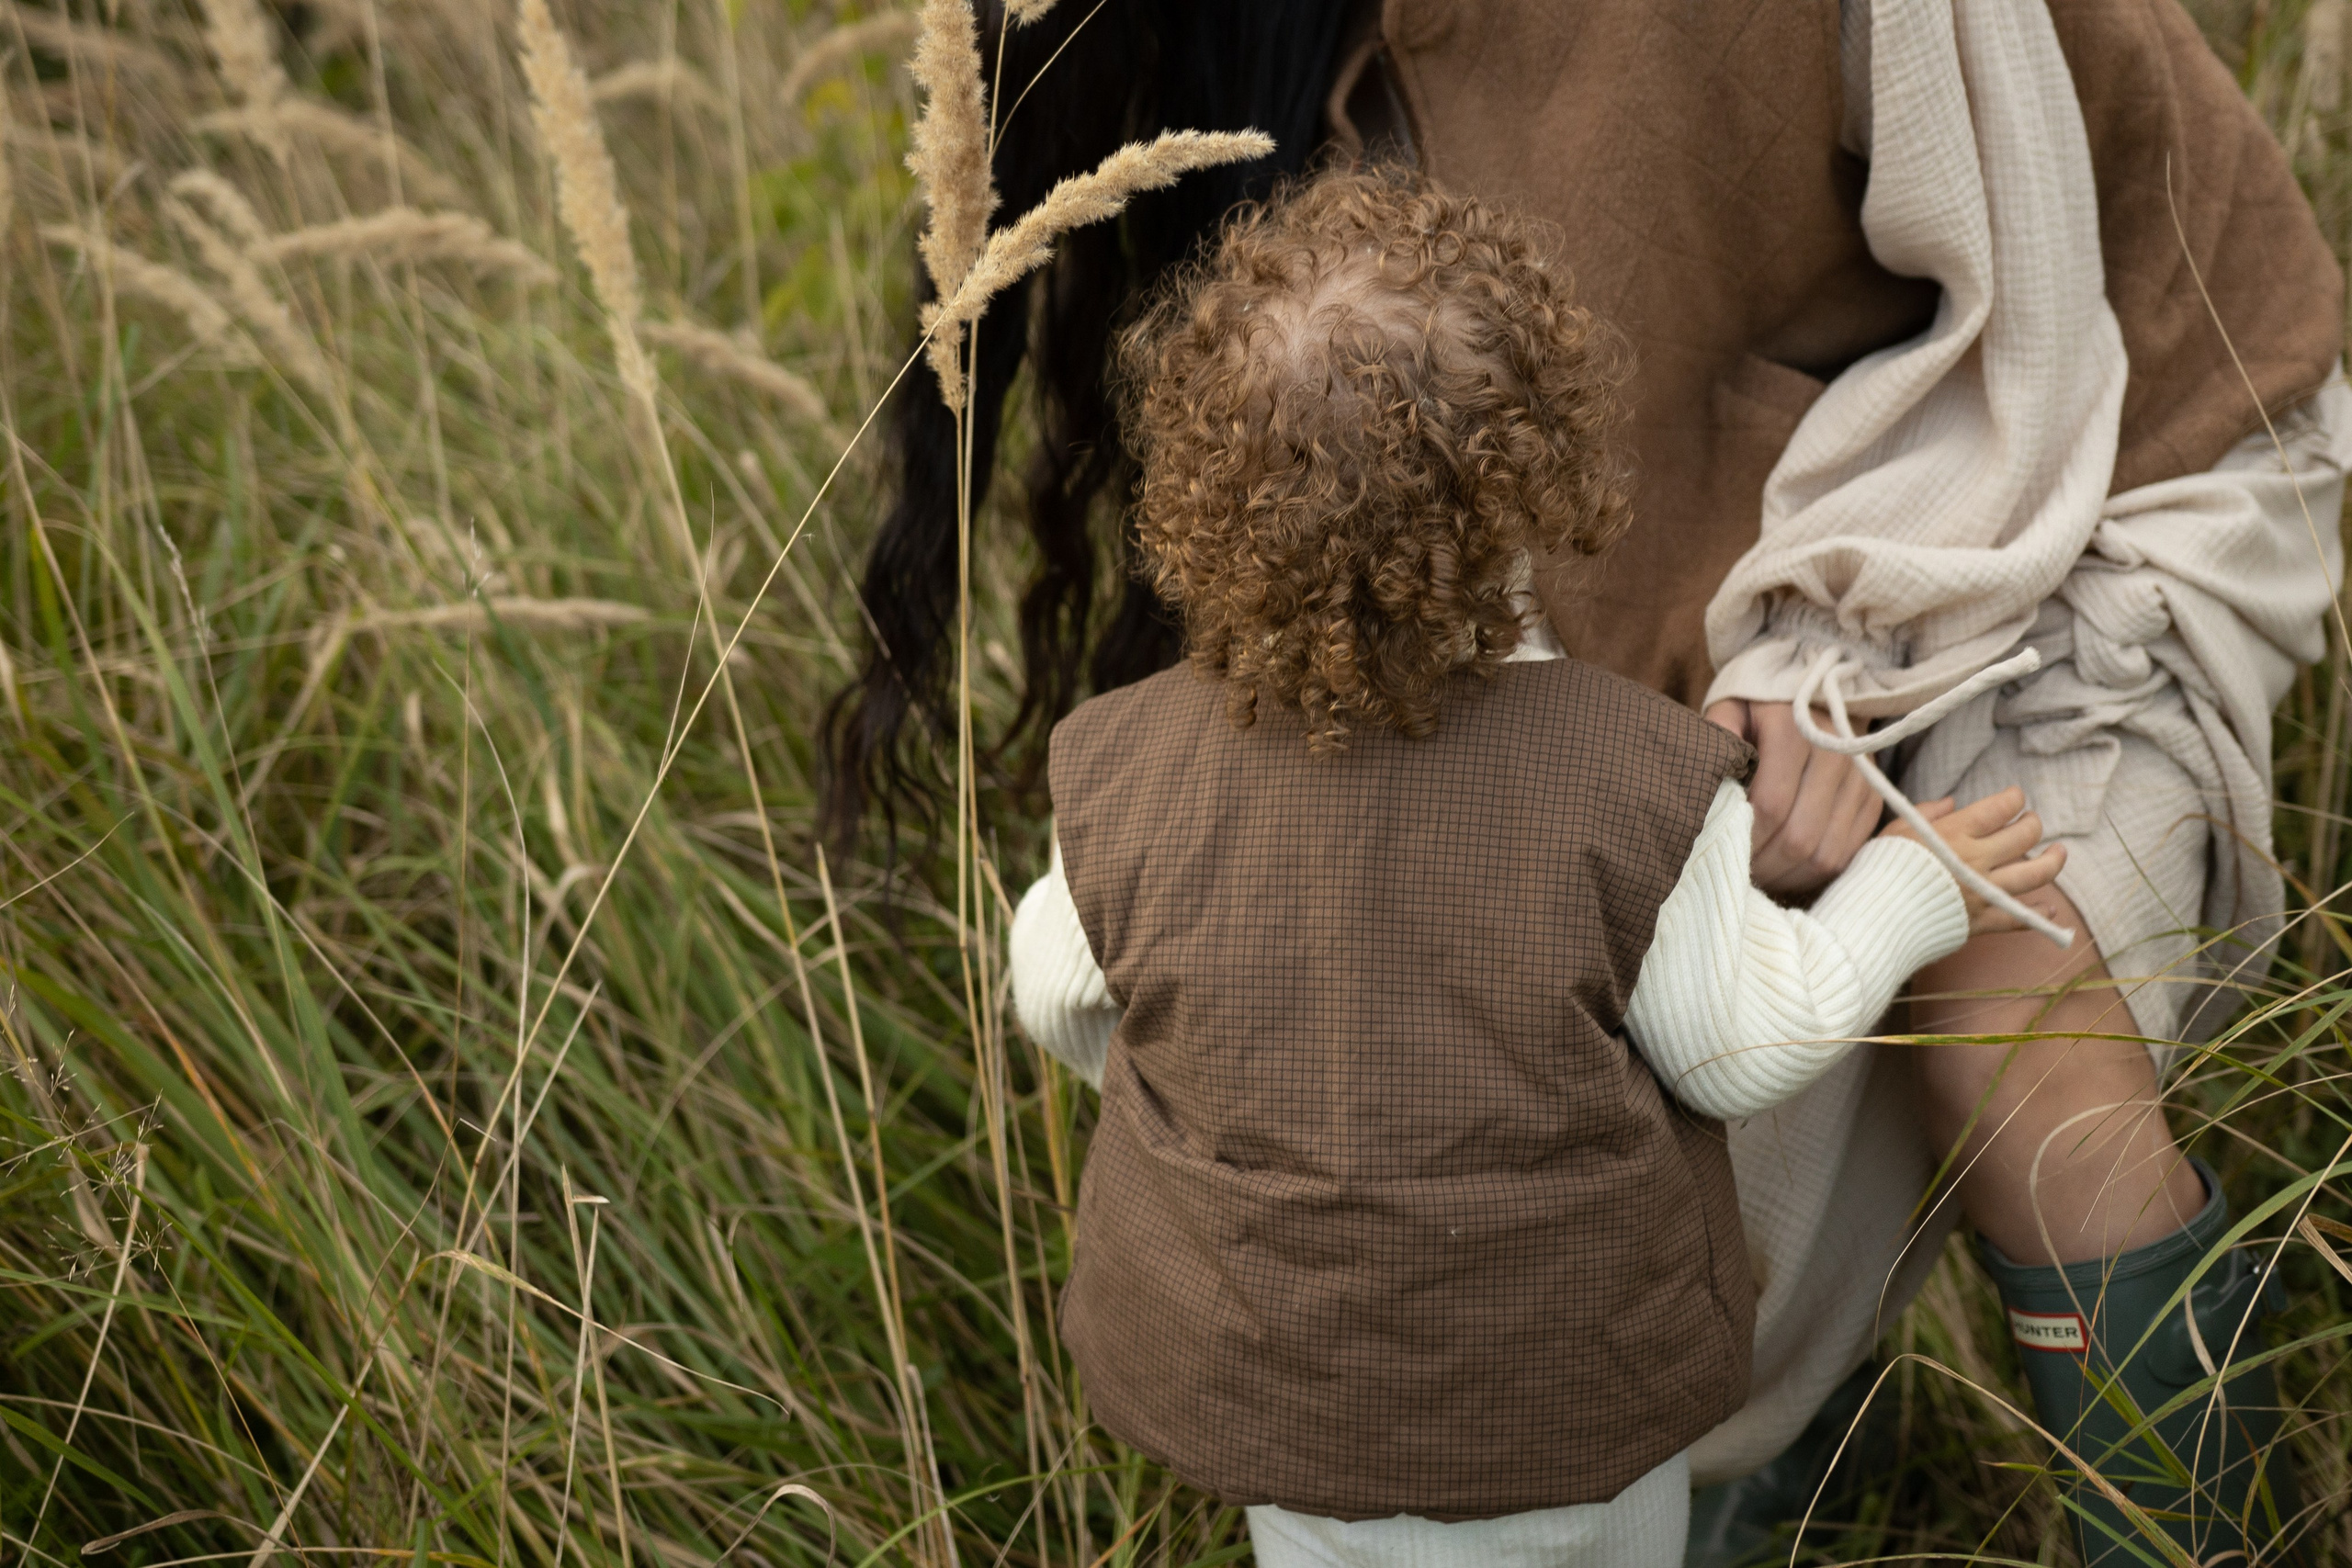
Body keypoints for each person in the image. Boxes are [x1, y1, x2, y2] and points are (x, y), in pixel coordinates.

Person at [832, 2, 2349, 1560]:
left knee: (2012, 1020)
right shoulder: (1306, 70)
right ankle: (1780, 1439)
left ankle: (2179, 1530)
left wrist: (1831, 651)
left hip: (2077, 480)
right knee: (1596, 1064)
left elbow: (2036, 333)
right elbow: (1723, 1016)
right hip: (1661, 603)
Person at [1008, 167, 2071, 1568]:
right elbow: (1741, 1046)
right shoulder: (1624, 776)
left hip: (1282, 1408)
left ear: (1206, 501)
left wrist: (1193, 1082)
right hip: (1566, 1410)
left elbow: (1056, 990)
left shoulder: (1134, 767)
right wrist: (1908, 890)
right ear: (1530, 482)